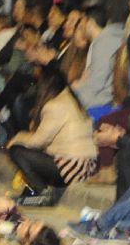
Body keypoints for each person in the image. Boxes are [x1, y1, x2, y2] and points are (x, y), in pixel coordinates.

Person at [5, 64, 97, 206]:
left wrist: (18, 137)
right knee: (29, 148)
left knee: (17, 151)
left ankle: (43, 193)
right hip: (85, 165)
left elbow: (38, 141)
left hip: (72, 166)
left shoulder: (55, 105)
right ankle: (42, 192)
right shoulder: (70, 99)